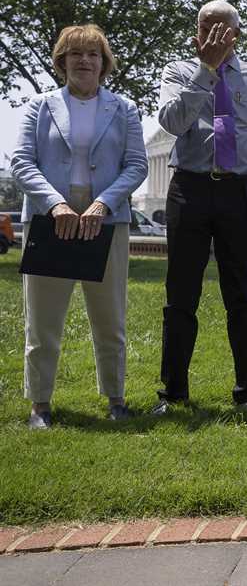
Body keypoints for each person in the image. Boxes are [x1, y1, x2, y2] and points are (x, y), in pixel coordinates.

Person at [154, 0, 247, 414]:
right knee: (181, 293)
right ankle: (174, 393)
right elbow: (172, 122)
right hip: (189, 189)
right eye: (203, 28)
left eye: (220, 29)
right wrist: (205, 71)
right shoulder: (177, 72)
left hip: (238, 192)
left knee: (241, 295)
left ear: (236, 34)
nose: (210, 36)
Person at [12, 24, 147, 428]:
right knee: (43, 320)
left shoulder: (124, 109)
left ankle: (116, 398)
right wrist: (54, 204)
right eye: (75, 54)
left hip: (105, 223)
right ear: (62, 62)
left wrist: (103, 203)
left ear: (104, 63)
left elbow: (137, 164)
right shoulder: (40, 106)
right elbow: (22, 162)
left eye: (93, 54)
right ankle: (40, 404)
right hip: (48, 221)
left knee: (111, 318)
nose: (84, 61)